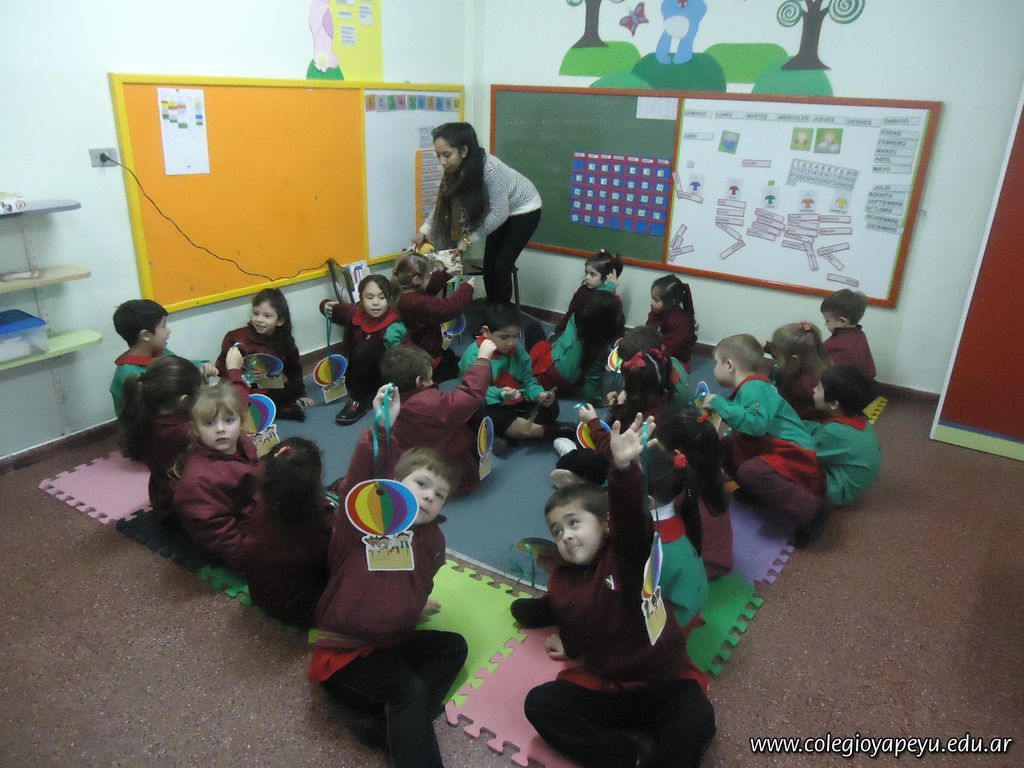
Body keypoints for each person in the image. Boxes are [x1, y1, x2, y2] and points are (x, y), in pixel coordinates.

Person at [518, 415, 716, 768]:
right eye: (557, 531)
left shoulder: (626, 555)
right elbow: (577, 616)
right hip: (606, 685)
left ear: (606, 524)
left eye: (573, 523)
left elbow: (631, 521)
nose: (565, 535)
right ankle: (626, 757)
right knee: (540, 703)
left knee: (697, 718)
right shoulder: (562, 579)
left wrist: (623, 470)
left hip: (660, 681)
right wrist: (571, 646)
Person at [311, 448, 467, 768]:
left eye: (440, 494)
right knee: (410, 691)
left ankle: (387, 729)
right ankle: (403, 726)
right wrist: (377, 438)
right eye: (421, 484)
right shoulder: (366, 524)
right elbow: (357, 485)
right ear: (394, 483)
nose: (429, 496)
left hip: (391, 641)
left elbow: (418, 580)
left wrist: (415, 605)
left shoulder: (433, 540)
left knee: (454, 646)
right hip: (347, 656)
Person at [702, 334, 828, 548]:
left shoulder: (755, 388)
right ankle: (758, 492)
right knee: (725, 447)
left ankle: (811, 512)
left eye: (716, 363)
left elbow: (756, 425)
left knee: (751, 471)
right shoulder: (750, 386)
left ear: (730, 365)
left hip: (795, 452)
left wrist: (720, 405)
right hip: (770, 444)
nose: (714, 368)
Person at [335, 340, 495, 498]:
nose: (433, 381)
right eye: (430, 377)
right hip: (446, 469)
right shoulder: (430, 403)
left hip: (413, 466)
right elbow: (470, 395)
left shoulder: (390, 405)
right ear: (420, 381)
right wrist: (482, 360)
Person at [411, 122, 541, 305]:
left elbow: (500, 213)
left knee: (501, 267)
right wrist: (423, 231)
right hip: (497, 212)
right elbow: (443, 204)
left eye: (447, 155)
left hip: (524, 210)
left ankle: (502, 316)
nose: (442, 161)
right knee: (489, 267)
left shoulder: (490, 168)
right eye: (438, 155)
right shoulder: (452, 169)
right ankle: (492, 311)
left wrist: (469, 239)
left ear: (464, 151)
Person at [119, 349, 244, 525]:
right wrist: (234, 372)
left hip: (163, 501)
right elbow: (237, 412)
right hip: (190, 512)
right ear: (184, 401)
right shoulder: (186, 432)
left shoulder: (146, 415)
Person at [241, 437, 333, 628]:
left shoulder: (261, 503)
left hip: (260, 594)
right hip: (298, 609)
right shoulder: (319, 521)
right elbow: (332, 555)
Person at [457, 303, 573, 452]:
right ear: (486, 332)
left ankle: (508, 435)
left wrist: (539, 394)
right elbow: (475, 393)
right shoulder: (474, 355)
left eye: (515, 336)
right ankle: (550, 431)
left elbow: (529, 383)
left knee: (550, 406)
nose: (511, 343)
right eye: (504, 337)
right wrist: (501, 394)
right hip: (488, 404)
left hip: (515, 403)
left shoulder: (517, 351)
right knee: (486, 415)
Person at [173, 381, 258, 570]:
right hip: (242, 546)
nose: (220, 429)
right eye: (210, 423)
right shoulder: (198, 482)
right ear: (196, 429)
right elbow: (219, 535)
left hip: (256, 513)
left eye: (229, 420)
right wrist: (250, 562)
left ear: (241, 421)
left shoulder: (243, 443)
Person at [652, 409, 733, 580]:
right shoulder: (712, 469)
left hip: (700, 570)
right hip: (718, 561)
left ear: (676, 454)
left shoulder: (677, 490)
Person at [216, 288, 314, 422]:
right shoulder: (236, 337)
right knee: (227, 396)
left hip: (268, 388)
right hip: (242, 387)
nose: (259, 320)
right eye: (256, 313)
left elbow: (294, 369)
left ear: (279, 321)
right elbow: (221, 365)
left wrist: (300, 394)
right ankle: (279, 411)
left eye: (267, 316)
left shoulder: (285, 342)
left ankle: (268, 410)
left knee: (290, 387)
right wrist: (241, 374)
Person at [321, 274, 407, 425]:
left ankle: (357, 400)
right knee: (360, 349)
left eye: (381, 297)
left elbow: (404, 359)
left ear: (389, 299)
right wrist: (325, 305)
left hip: (383, 377)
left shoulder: (394, 326)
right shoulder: (356, 312)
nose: (376, 303)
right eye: (369, 297)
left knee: (366, 349)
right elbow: (336, 310)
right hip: (357, 374)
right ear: (361, 298)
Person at [110, 298, 216, 416]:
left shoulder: (163, 353)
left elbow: (180, 368)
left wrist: (201, 365)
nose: (169, 331)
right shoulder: (127, 374)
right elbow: (132, 419)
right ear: (146, 335)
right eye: (163, 325)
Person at [391, 250, 475, 382]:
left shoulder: (403, 290)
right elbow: (448, 309)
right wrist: (467, 288)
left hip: (419, 343)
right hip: (424, 352)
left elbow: (426, 289)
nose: (430, 277)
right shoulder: (416, 302)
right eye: (428, 276)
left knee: (450, 357)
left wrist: (446, 275)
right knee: (452, 368)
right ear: (416, 280)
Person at [531, 290, 624, 403]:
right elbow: (592, 388)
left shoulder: (576, 319)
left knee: (534, 330)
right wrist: (602, 401)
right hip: (554, 381)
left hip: (547, 367)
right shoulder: (599, 351)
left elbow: (596, 302)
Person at [808, 364, 882, 506]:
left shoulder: (834, 432)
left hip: (839, 489)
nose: (814, 390)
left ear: (834, 404)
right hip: (857, 482)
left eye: (819, 388)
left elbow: (806, 454)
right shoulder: (860, 418)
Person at [551, 250, 624, 337]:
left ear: (607, 276)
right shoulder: (582, 291)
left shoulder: (610, 297)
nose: (587, 277)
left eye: (592, 274)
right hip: (575, 334)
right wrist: (558, 330)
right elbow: (570, 314)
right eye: (586, 273)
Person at [769, 321, 831, 422]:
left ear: (793, 360)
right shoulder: (817, 363)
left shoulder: (803, 387)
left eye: (777, 355)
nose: (774, 356)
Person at [820, 289, 877, 378]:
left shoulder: (840, 346)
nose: (825, 324)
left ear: (842, 321)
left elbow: (827, 372)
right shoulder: (860, 335)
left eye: (827, 320)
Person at [647, 274, 698, 367]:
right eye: (652, 298)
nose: (651, 303)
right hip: (658, 350)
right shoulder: (657, 311)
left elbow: (670, 348)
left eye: (656, 300)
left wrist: (650, 353)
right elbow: (649, 329)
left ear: (672, 302)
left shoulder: (681, 321)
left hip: (676, 359)